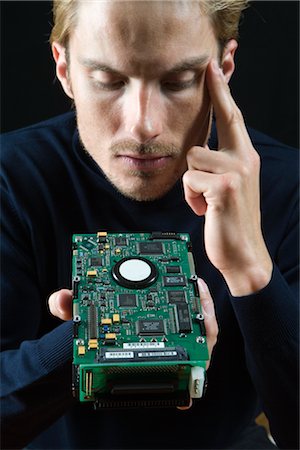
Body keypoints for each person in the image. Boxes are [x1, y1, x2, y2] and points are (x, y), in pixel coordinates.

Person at [1, 1, 298, 449]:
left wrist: (252, 270)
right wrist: (94, 337)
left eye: (178, 82)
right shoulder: (10, 177)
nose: (143, 125)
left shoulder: (287, 187)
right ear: (64, 69)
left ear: (224, 66)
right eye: (108, 81)